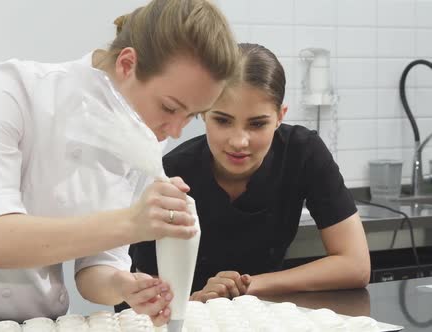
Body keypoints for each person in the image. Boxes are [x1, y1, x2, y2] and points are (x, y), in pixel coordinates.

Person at [0, 1, 238, 331]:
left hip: (34, 322)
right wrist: (132, 223)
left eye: (190, 117)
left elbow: (95, 270)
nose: (174, 131)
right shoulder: (14, 91)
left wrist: (124, 286)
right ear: (127, 64)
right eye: (170, 107)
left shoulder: (141, 139)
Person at [130, 43, 371, 303]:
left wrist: (246, 286)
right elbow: (141, 294)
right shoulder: (170, 173)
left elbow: (356, 265)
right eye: (222, 120)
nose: (239, 141)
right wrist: (198, 301)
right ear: (203, 112)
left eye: (257, 124)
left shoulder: (303, 153)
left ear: (280, 116)